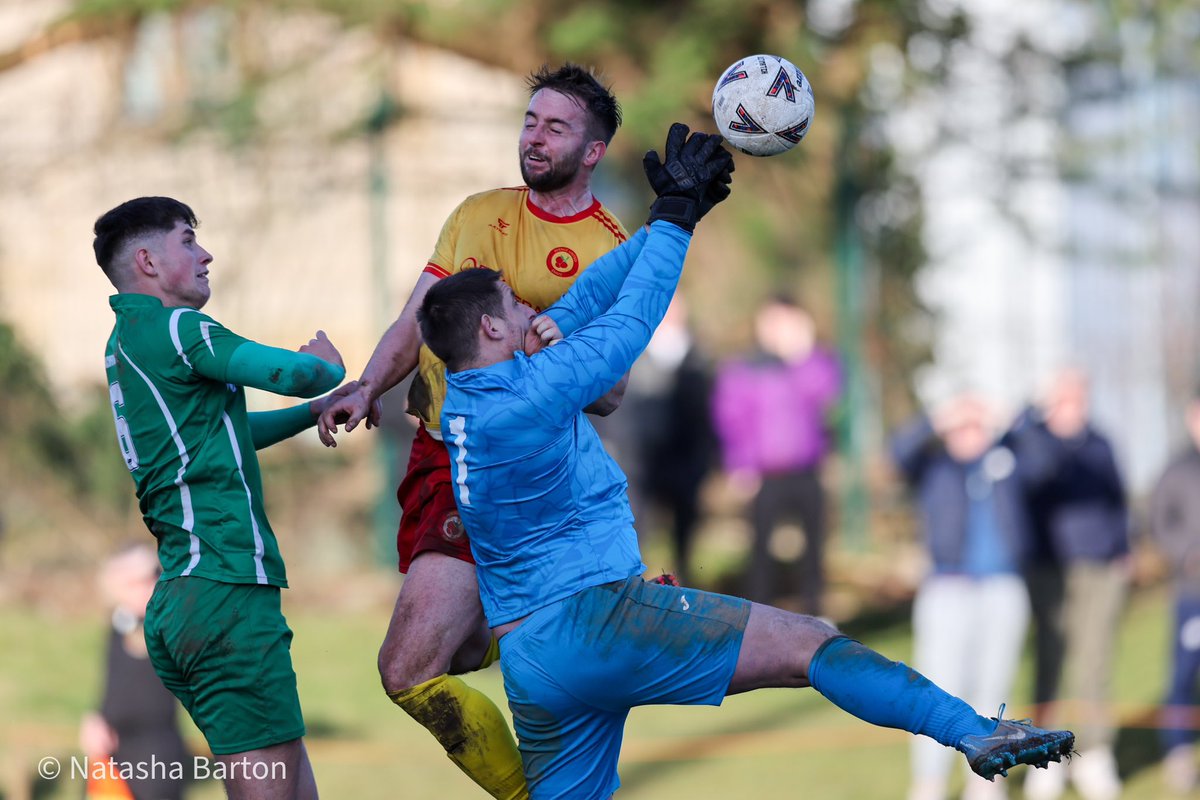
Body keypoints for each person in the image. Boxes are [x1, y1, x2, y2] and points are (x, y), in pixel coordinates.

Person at [418, 122, 1073, 799]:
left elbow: (584, 299)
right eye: (515, 303)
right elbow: (627, 324)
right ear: (492, 329)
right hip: (596, 623)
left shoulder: (471, 399)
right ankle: (970, 730)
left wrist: (676, 214)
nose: (532, 307)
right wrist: (673, 224)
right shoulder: (533, 392)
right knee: (809, 643)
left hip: (532, 661)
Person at [316, 64, 628, 799]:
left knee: (407, 668)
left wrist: (537, 340)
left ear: (592, 151)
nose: (534, 136)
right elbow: (414, 319)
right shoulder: (477, 214)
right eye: (529, 120)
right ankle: (565, 609)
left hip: (505, 466)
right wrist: (366, 384)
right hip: (436, 453)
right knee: (451, 652)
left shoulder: (608, 246)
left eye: (555, 127)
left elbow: (610, 393)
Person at [95, 196, 349, 800]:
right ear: (148, 261)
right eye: (188, 240)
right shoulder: (181, 329)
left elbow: (225, 437)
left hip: (184, 599)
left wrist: (311, 412)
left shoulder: (125, 343)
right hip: (225, 588)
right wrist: (324, 371)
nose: (205, 253)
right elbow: (292, 371)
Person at [890, 394, 1034, 800]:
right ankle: (929, 784)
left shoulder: (1010, 462)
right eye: (962, 427)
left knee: (994, 687)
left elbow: (1048, 462)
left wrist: (1005, 420)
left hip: (1003, 588)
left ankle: (983, 782)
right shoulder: (934, 467)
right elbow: (898, 451)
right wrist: (940, 417)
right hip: (946, 589)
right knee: (935, 690)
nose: (969, 434)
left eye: (976, 426)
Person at [1010, 368, 1130, 800]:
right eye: (1064, 395)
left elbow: (1118, 499)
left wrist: (1121, 552)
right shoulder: (1033, 438)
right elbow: (1029, 473)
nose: (1073, 403)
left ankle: (1096, 756)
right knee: (1049, 663)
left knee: (1094, 663)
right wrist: (1033, 413)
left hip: (1100, 567)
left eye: (1080, 395)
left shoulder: (1100, 442)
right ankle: (1046, 757)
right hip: (1049, 569)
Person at [712, 295, 841, 613]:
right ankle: (757, 620)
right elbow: (731, 418)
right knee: (760, 553)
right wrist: (741, 464)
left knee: (814, 552)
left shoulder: (814, 364)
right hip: (764, 474)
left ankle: (816, 620)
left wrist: (802, 356)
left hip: (807, 469)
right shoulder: (745, 368)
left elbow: (826, 395)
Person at [81, 543, 188, 800]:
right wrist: (97, 719)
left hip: (154, 757)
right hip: (113, 754)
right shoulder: (119, 625)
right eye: (134, 581)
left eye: (153, 575)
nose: (148, 585)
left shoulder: (168, 626)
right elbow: (115, 686)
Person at [624, 295, 716, 584]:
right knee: (638, 531)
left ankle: (686, 589)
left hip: (686, 460)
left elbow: (709, 412)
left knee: (685, 534)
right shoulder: (636, 351)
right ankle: (635, 592)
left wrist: (706, 460)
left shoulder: (698, 356)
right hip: (641, 462)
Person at [1151, 392, 1200, 794]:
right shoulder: (1176, 469)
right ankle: (1178, 753)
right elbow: (1157, 522)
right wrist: (1186, 554)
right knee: (1183, 676)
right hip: (1192, 593)